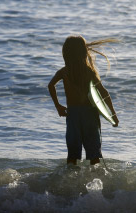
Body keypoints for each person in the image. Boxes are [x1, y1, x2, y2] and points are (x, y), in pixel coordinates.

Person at [48, 35, 119, 166]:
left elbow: (50, 85)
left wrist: (58, 106)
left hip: (73, 114)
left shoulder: (64, 72)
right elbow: (104, 93)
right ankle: (96, 179)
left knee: (72, 155)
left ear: (66, 53)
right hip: (89, 115)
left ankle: (69, 182)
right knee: (94, 155)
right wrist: (112, 115)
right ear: (83, 52)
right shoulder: (89, 72)